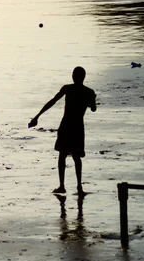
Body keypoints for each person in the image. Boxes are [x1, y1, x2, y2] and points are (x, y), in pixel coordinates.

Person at [29, 67, 96, 196]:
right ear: (83, 77)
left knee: (62, 155)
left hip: (66, 125)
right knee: (76, 157)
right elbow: (93, 108)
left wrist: (37, 116)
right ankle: (79, 186)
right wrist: (92, 100)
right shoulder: (88, 91)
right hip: (77, 126)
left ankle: (62, 185)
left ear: (74, 76)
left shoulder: (68, 89)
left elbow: (52, 102)